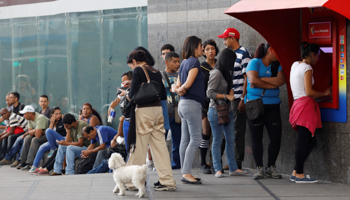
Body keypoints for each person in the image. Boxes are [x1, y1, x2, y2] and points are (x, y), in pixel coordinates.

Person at [125, 49, 176, 191]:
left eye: (131, 65)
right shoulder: (156, 71)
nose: (132, 68)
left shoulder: (138, 70)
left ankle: (132, 182)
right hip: (158, 111)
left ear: (134, 61)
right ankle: (167, 181)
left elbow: (134, 94)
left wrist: (126, 94)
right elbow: (163, 96)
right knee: (160, 147)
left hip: (144, 111)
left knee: (139, 147)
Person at [289, 42, 331, 183]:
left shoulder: (295, 65)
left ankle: (296, 170)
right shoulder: (307, 68)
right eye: (318, 55)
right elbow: (309, 92)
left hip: (297, 104)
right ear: (312, 55)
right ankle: (300, 174)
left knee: (310, 141)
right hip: (305, 106)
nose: (318, 58)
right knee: (303, 140)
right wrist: (324, 92)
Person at [245, 43, 286, 179]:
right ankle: (259, 168)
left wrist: (260, 79)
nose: (279, 54)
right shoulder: (254, 62)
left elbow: (281, 81)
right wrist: (269, 83)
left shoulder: (277, 65)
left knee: (276, 137)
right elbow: (253, 80)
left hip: (273, 105)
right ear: (271, 50)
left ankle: (271, 167)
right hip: (255, 104)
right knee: (257, 138)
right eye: (278, 51)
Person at [207, 48, 248, 178]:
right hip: (215, 111)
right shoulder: (216, 73)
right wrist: (226, 96)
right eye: (232, 60)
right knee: (217, 140)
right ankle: (218, 168)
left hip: (227, 110)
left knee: (231, 139)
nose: (234, 63)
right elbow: (209, 93)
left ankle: (233, 168)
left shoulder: (227, 73)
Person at [218, 28, 252, 170]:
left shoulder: (244, 54)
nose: (224, 42)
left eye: (225, 39)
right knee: (225, 130)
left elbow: (247, 78)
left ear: (233, 38)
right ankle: (219, 161)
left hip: (238, 98)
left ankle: (237, 163)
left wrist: (243, 99)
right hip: (228, 98)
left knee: (237, 131)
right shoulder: (228, 55)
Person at [173, 36, 204, 184]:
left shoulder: (184, 63)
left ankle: (184, 171)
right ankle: (186, 172)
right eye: (200, 46)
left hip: (183, 105)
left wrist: (180, 90)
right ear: (194, 47)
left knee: (185, 139)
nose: (202, 48)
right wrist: (182, 90)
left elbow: (178, 85)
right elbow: (186, 84)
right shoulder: (194, 62)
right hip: (192, 104)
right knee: (196, 138)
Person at [199, 39, 220, 174]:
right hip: (205, 103)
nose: (210, 51)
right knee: (206, 133)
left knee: (218, 134)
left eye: (212, 48)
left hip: (220, 102)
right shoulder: (201, 67)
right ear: (203, 52)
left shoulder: (220, 64)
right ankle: (202, 163)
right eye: (207, 49)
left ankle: (215, 161)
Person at [29, 106, 67, 173]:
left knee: (48, 130)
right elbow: (48, 135)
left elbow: (66, 132)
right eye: (56, 114)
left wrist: (64, 122)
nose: (58, 115)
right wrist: (52, 123)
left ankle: (53, 149)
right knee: (42, 147)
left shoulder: (63, 121)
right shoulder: (49, 121)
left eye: (59, 113)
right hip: (53, 142)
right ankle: (34, 166)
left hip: (62, 139)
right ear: (52, 114)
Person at [161, 51, 181, 169]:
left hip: (177, 113)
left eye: (178, 61)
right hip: (164, 114)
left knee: (177, 142)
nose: (177, 64)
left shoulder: (180, 75)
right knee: (161, 142)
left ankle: (176, 165)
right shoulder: (160, 75)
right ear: (167, 62)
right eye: (174, 62)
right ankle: (162, 165)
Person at [17, 105, 49, 171]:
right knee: (28, 138)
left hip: (48, 136)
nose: (23, 116)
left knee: (35, 140)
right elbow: (29, 132)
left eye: (25, 114)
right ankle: (22, 162)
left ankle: (30, 163)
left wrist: (35, 131)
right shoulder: (29, 119)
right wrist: (36, 130)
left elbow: (37, 135)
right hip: (42, 134)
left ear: (30, 114)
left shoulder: (40, 118)